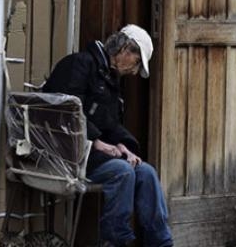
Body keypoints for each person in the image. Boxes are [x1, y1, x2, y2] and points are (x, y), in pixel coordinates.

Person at [43, 25, 173, 247]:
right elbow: (66, 111)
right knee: (122, 172)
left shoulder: (110, 80)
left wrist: (123, 146)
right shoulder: (79, 64)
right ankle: (116, 241)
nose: (135, 71)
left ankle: (161, 243)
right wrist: (96, 142)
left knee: (146, 172)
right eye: (137, 62)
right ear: (124, 49)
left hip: (92, 155)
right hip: (68, 154)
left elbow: (109, 124)